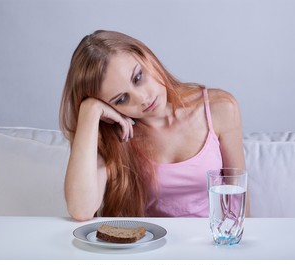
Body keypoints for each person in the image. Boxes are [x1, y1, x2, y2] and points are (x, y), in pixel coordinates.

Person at [59, 30, 246, 221]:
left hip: (212, 244)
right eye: (122, 99)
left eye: (138, 77)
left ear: (147, 56)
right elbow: (81, 210)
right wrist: (89, 110)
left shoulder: (220, 108)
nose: (142, 98)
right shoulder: (113, 137)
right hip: (148, 247)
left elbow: (239, 200)